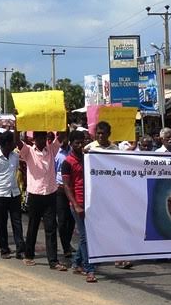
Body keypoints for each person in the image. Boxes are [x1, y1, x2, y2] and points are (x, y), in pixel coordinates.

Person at [83, 121, 132, 269]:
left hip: (111, 193)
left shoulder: (115, 149)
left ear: (109, 134)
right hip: (94, 194)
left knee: (115, 226)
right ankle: (93, 257)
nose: (100, 136)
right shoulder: (89, 148)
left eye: (103, 133)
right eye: (98, 133)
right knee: (96, 228)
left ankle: (118, 257)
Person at [19, 131, 67, 271]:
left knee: (51, 227)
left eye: (43, 138)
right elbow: (17, 141)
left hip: (50, 193)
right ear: (34, 139)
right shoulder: (28, 151)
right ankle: (29, 255)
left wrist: (64, 119)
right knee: (33, 226)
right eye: (39, 138)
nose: (41, 140)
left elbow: (62, 135)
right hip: (35, 194)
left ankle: (53, 261)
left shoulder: (51, 149)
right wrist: (17, 123)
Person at [0, 131, 28, 262]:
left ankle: (20, 250)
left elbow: (16, 171)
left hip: (14, 194)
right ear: (6, 144)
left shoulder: (15, 156)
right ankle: (4, 249)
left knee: (17, 222)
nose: (14, 145)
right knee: (1, 223)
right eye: (12, 143)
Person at [61, 130, 97, 283]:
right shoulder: (67, 162)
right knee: (85, 237)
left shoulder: (87, 158)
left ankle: (76, 263)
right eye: (77, 143)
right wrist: (75, 205)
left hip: (90, 202)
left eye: (82, 142)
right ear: (71, 144)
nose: (80, 145)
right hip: (78, 204)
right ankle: (89, 269)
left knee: (86, 236)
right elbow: (67, 186)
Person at [55, 131, 75, 260]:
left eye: (65, 136)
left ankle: (67, 242)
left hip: (72, 189)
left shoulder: (73, 150)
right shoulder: (55, 152)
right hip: (60, 189)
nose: (63, 139)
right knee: (62, 220)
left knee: (71, 219)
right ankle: (66, 247)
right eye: (60, 136)